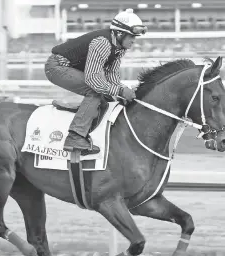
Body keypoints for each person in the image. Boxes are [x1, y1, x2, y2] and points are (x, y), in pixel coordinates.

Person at [44, 8, 147, 155]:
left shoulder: (119, 48)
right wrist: (121, 91)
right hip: (56, 67)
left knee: (107, 94)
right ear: (119, 33)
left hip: (72, 69)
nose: (134, 41)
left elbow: (111, 76)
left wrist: (120, 93)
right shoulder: (102, 43)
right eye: (131, 36)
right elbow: (93, 79)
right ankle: (75, 136)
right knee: (95, 90)